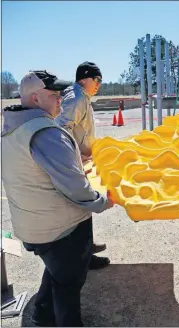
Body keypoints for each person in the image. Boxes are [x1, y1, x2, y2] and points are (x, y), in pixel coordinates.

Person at [1, 70, 114, 326]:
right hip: (61, 228)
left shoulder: (11, 129)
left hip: (32, 224)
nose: (60, 100)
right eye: (54, 95)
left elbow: (32, 170)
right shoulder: (46, 133)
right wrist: (103, 201)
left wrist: (71, 160)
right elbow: (76, 188)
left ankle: (42, 313)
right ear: (36, 98)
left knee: (56, 271)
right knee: (68, 285)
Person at [56, 61, 109, 270]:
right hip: (74, 163)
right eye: (96, 80)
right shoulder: (77, 98)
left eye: (101, 81)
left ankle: (86, 247)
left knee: (83, 208)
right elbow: (60, 129)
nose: (99, 85)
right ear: (83, 79)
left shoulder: (82, 97)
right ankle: (84, 257)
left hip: (79, 160)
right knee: (80, 207)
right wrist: (76, 154)